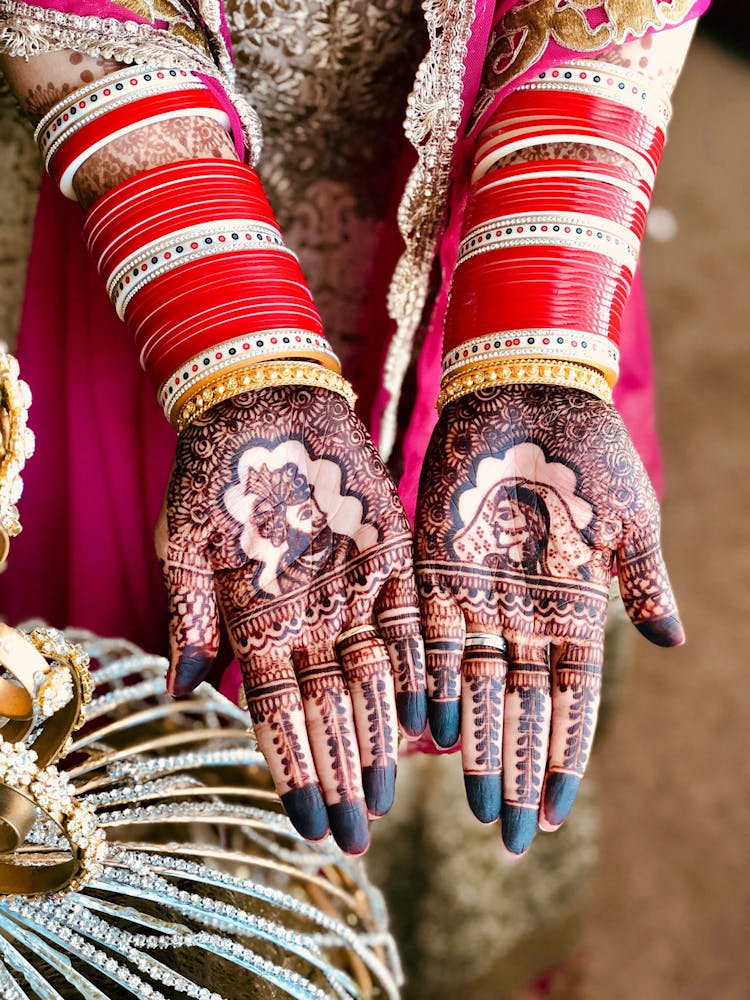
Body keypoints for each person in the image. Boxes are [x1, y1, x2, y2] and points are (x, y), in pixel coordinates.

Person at [0, 7, 708, 986]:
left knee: (501, 643)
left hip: (507, 203)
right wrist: (233, 352)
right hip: (148, 197)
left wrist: (537, 338)